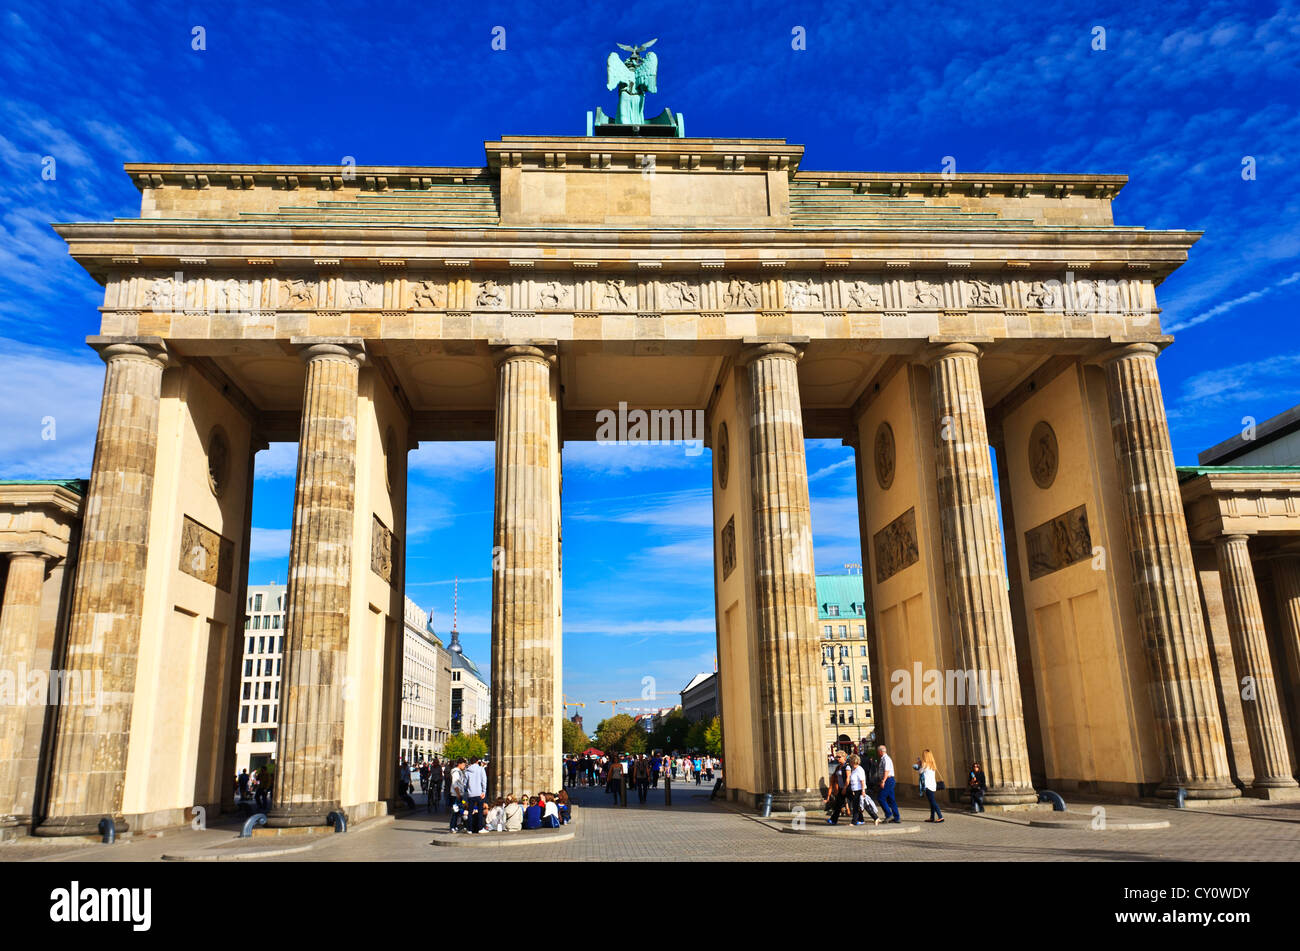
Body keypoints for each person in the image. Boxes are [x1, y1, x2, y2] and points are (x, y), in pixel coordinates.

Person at [913, 749, 944, 823]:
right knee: (931, 801)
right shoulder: (933, 764)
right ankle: (932, 817)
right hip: (933, 785)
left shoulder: (925, 764)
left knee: (932, 802)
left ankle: (940, 816)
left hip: (927, 786)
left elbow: (920, 771)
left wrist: (919, 764)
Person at [824, 749, 849, 824]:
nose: (837, 759)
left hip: (847, 788)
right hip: (841, 789)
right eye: (836, 757)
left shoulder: (847, 766)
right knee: (838, 805)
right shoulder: (839, 767)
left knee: (856, 802)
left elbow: (848, 778)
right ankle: (833, 820)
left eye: (839, 757)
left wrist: (845, 788)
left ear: (844, 757)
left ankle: (871, 817)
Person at [464, 755, 488, 833]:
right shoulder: (481, 769)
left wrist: (468, 790)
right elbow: (484, 781)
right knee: (480, 811)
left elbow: (465, 783)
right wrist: (484, 791)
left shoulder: (467, 770)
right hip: (479, 793)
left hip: (471, 794)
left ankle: (469, 829)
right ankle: (480, 828)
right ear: (477, 761)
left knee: (470, 812)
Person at [876, 744, 900, 823]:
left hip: (888, 780)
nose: (877, 753)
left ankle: (889, 814)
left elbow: (887, 770)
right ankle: (897, 817)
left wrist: (883, 781)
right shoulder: (885, 758)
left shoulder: (885, 759)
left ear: (880, 752)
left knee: (881, 797)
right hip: (889, 780)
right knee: (891, 799)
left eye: (878, 751)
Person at [846, 753, 872, 826]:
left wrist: (863, 791)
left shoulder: (859, 769)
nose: (849, 763)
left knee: (857, 806)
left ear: (853, 761)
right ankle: (863, 819)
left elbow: (862, 781)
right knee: (859, 806)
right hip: (856, 790)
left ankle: (854, 821)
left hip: (860, 790)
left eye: (850, 761)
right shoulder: (854, 769)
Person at [447, 758, 467, 832]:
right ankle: (452, 826)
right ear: (460, 764)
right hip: (455, 795)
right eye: (464, 764)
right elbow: (455, 784)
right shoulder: (456, 772)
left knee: (459, 810)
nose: (464, 766)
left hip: (459, 794)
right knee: (455, 811)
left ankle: (456, 825)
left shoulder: (460, 772)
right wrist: (458, 794)